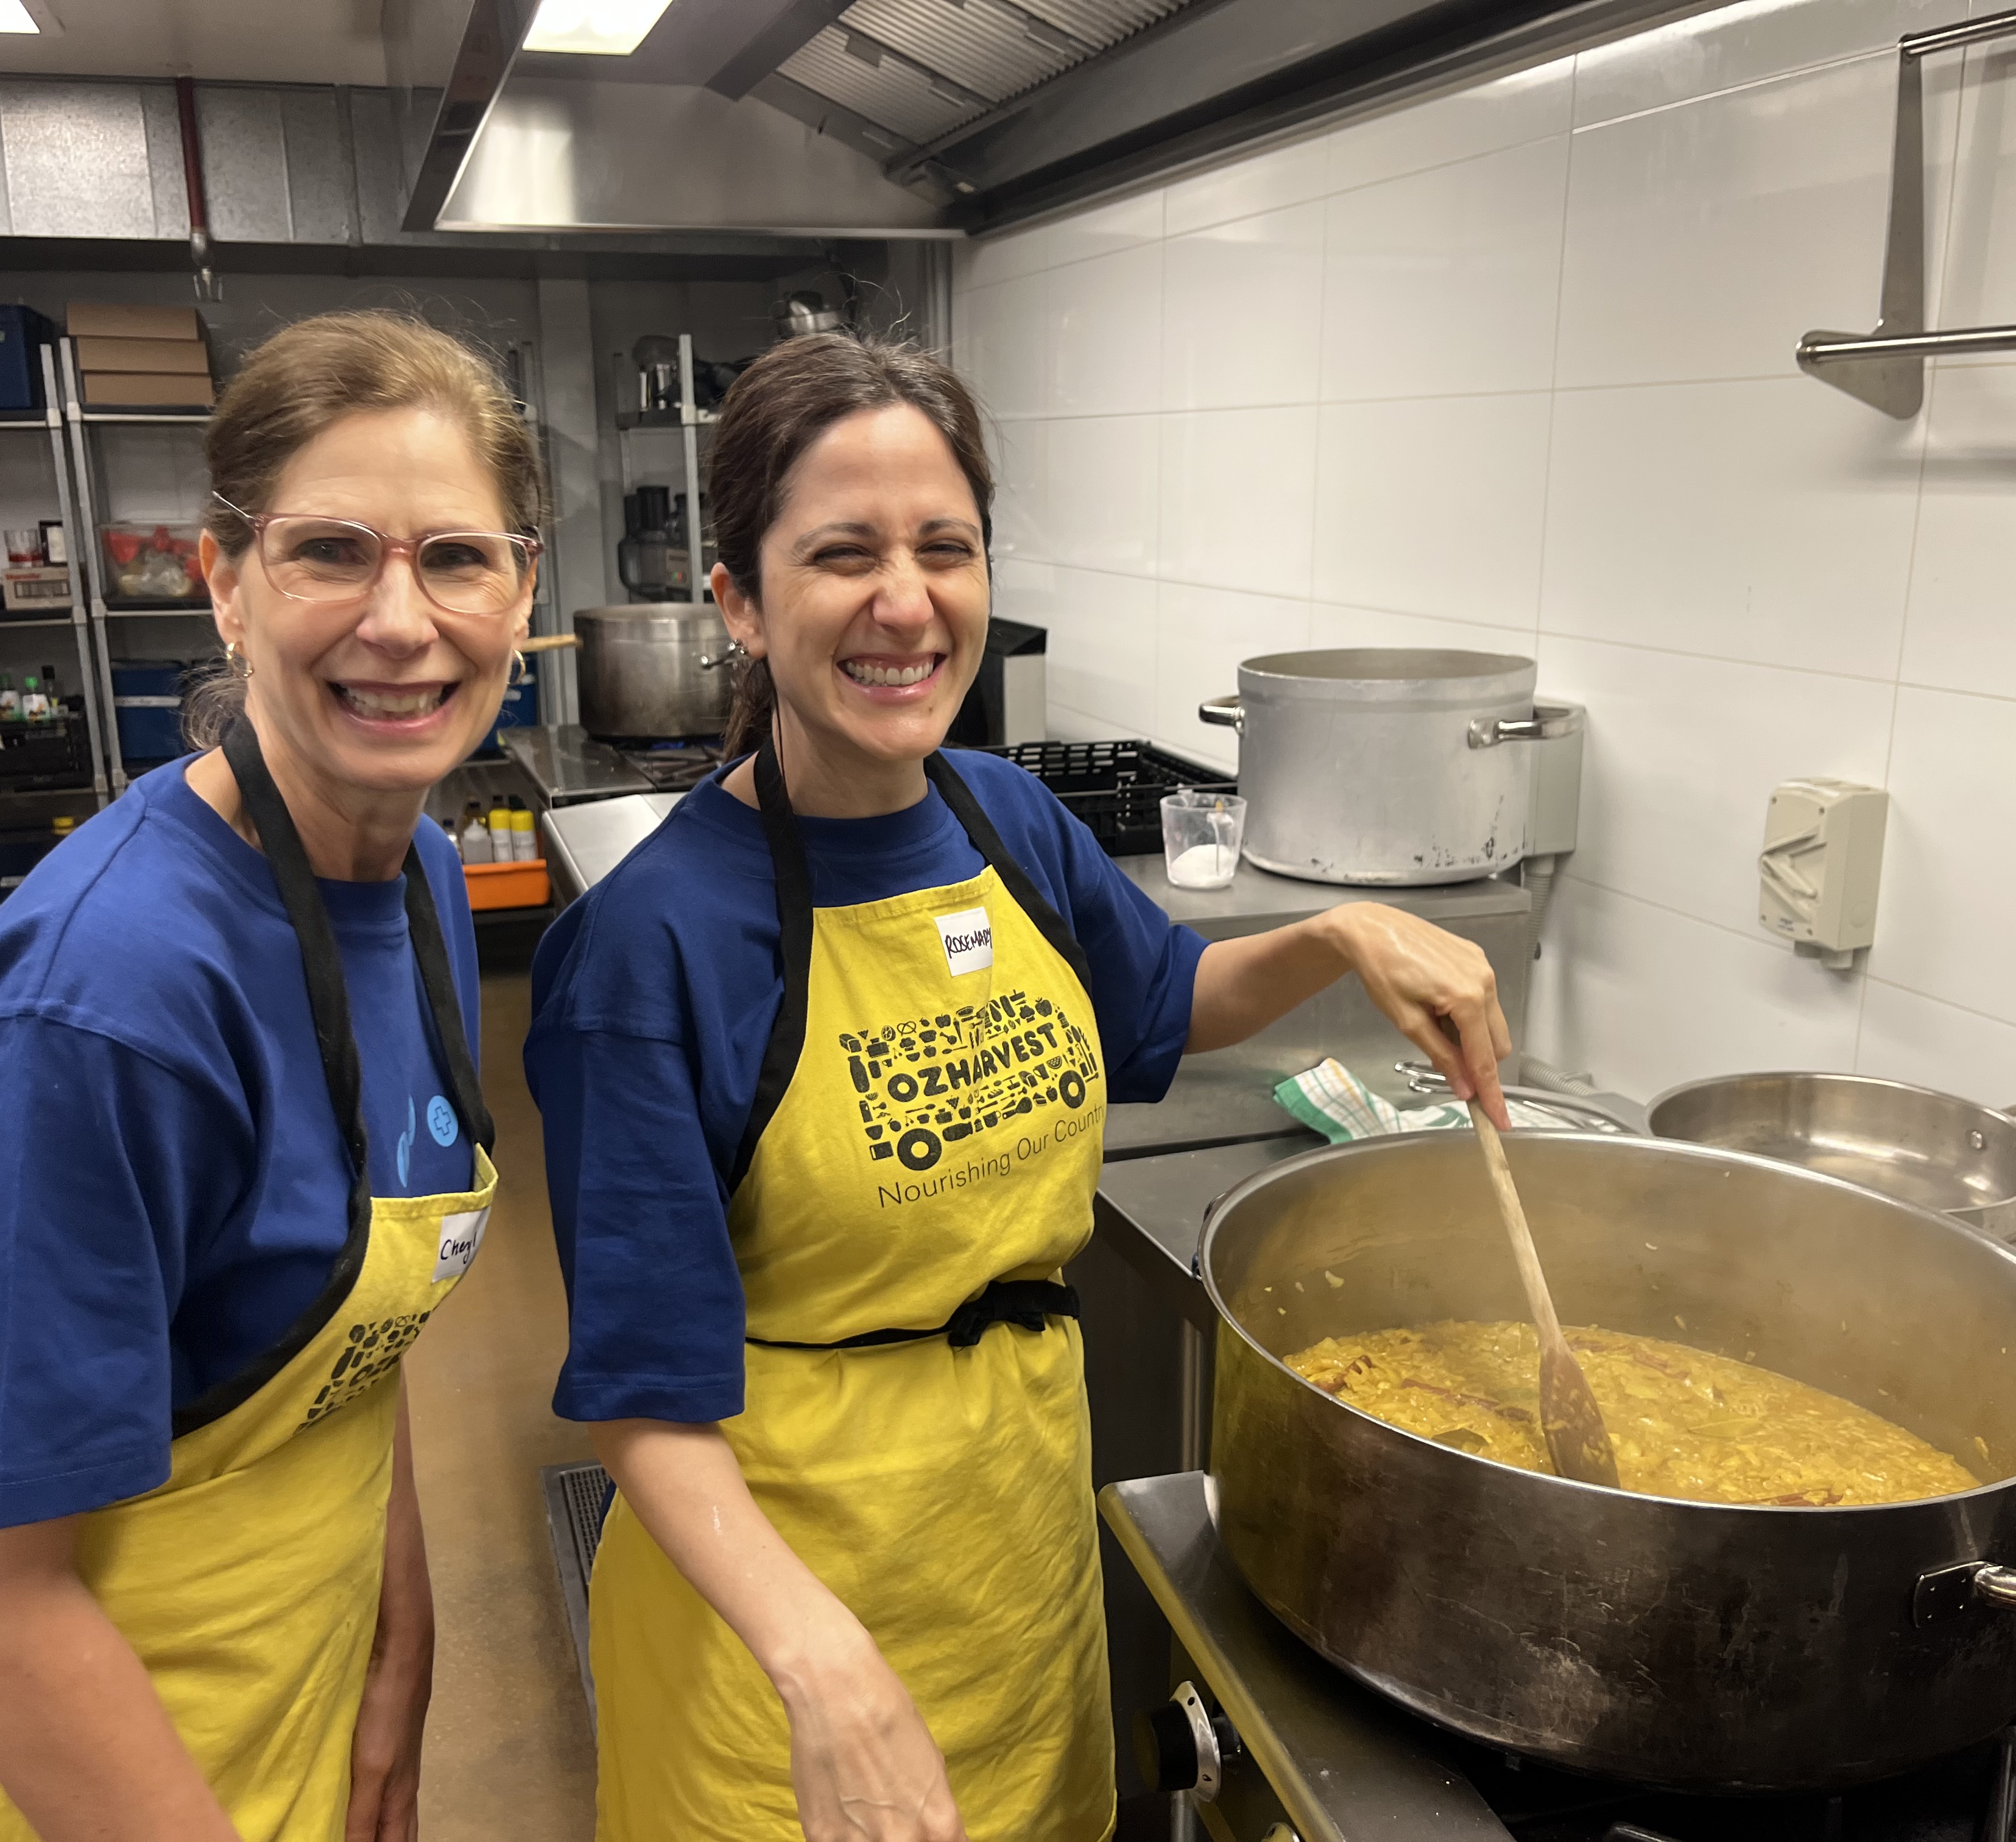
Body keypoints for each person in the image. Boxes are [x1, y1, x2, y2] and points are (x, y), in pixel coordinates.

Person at [526, 333, 1512, 1840]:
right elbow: (641, 1399)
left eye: (946, 548)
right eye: (841, 553)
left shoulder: (1008, 821)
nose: (905, 602)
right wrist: (817, 1666)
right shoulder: (650, 948)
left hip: (1011, 1567)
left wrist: (1334, 934)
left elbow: (1167, 1005)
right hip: (779, 1644)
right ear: (739, 598)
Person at [0, 311, 540, 1842]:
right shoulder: (100, 1006)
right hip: (45, 1764)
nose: (403, 623)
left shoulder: (425, 886)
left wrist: (400, 1657)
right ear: (226, 588)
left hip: (278, 1686)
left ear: (525, 593)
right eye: (332, 551)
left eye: (456, 557)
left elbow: (349, 1333)